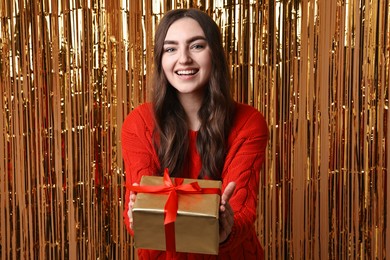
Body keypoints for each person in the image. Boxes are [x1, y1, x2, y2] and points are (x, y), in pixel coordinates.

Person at [121, 8, 268, 259]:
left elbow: (240, 209)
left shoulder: (248, 122)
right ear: (161, 60)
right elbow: (140, 209)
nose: (184, 59)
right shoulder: (139, 123)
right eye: (171, 49)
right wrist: (136, 217)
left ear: (215, 55)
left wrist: (225, 228)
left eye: (197, 46)